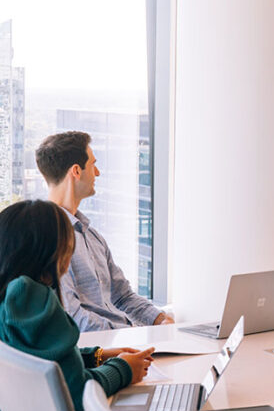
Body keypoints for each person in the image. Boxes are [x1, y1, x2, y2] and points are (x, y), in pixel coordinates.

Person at [0, 200, 153, 411]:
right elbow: (75, 391)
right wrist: (124, 369)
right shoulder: (32, 298)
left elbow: (36, 362)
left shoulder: (8, 297)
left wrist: (96, 356)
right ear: (50, 252)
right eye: (69, 247)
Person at [35, 131, 173, 331]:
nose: (97, 173)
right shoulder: (49, 238)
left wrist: (161, 320)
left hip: (122, 339)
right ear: (76, 171)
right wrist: (130, 333)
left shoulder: (91, 236)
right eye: (93, 164)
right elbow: (73, 317)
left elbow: (122, 296)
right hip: (98, 350)